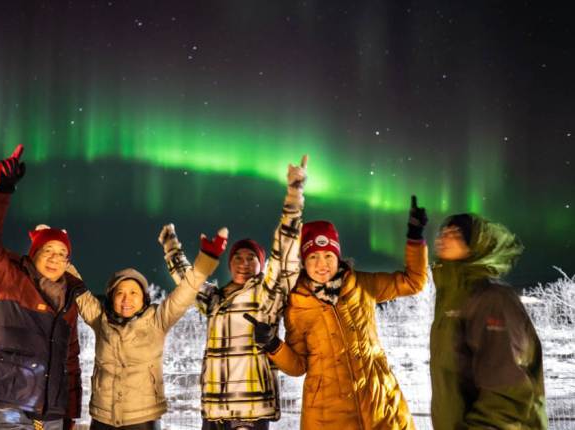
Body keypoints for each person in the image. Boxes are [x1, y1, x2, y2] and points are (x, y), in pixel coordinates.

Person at [248, 196, 429, 429]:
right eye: (313, 256)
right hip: (328, 413)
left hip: (379, 402)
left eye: (328, 255)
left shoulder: (362, 284)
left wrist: (415, 238)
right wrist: (273, 345)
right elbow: (298, 366)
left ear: (338, 256)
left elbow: (413, 282)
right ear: (304, 261)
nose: (321, 263)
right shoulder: (297, 303)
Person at [161, 156, 308, 429]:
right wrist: (171, 247)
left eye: (250, 258)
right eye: (237, 257)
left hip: (250, 410)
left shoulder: (268, 294)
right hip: (215, 409)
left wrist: (294, 193)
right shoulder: (214, 299)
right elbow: (188, 282)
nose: (243, 262)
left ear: (261, 264)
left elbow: (285, 248)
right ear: (229, 264)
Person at [0, 144, 82, 430]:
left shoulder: (69, 299)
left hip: (51, 412)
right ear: (34, 254)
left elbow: (70, 361)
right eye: (49, 251)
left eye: (62, 255)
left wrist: (68, 414)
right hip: (9, 404)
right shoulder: (7, 278)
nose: (56, 259)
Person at [71, 225, 229, 429]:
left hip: (143, 420)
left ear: (144, 298)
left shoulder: (157, 318)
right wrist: (56, 250)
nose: (126, 299)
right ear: (111, 298)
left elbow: (188, 288)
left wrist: (206, 259)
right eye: (120, 293)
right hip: (102, 419)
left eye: (133, 293)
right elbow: (78, 290)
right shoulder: (100, 320)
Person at [430, 214, 547, 429]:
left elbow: (505, 394)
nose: (443, 238)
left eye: (455, 234)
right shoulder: (452, 300)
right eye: (443, 232)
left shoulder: (492, 300)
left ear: (476, 246)